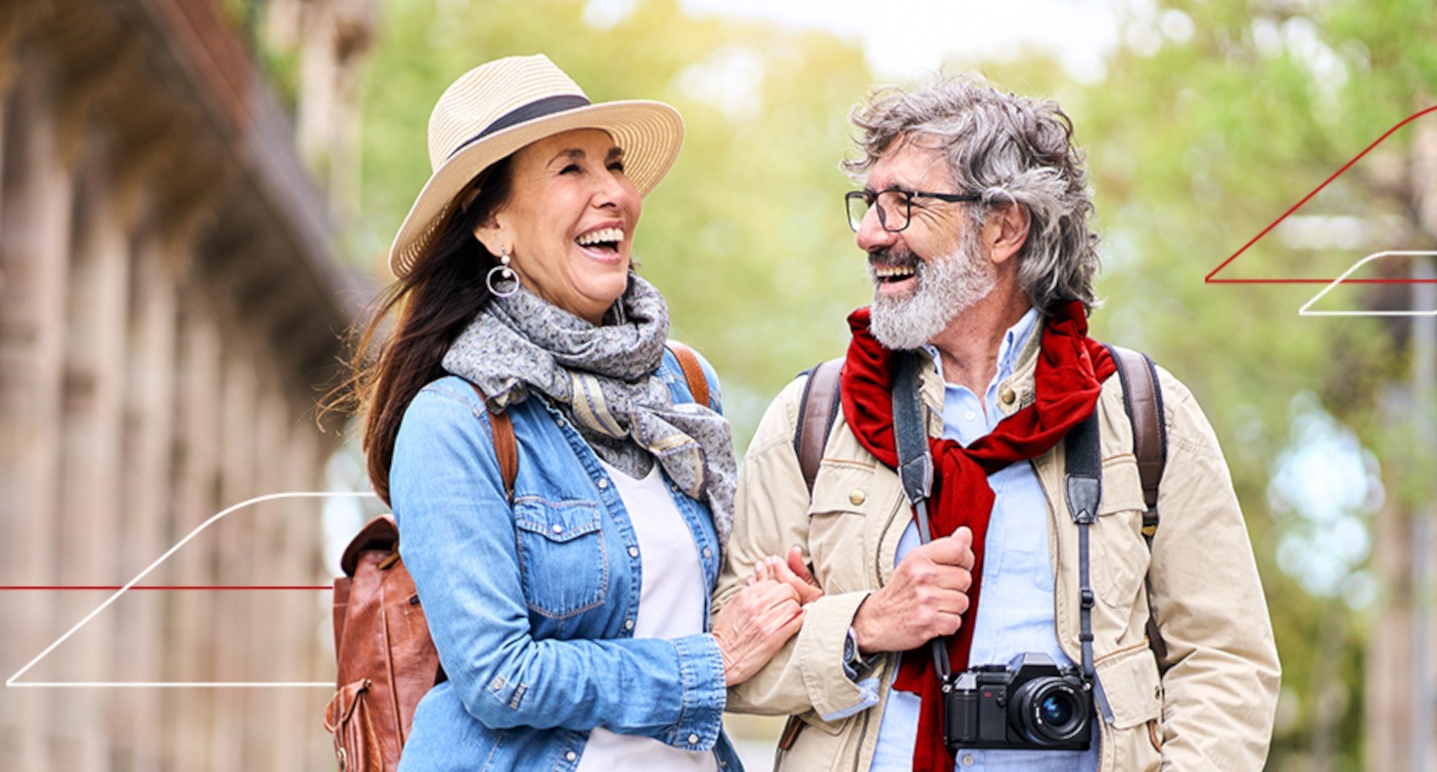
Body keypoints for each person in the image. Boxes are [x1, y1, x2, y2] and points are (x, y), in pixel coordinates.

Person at [714, 76, 1281, 771]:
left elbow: (1227, 658)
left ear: (1004, 226)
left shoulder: (1140, 412)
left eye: (903, 206)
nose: (869, 234)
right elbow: (728, 664)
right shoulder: (816, 415)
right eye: (868, 205)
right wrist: (864, 625)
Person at [342, 54, 803, 772]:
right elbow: (500, 676)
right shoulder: (454, 422)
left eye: (613, 164)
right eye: (570, 169)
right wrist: (708, 661)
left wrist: (776, 600)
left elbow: (697, 611)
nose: (612, 192)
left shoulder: (685, 386)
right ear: (493, 224)